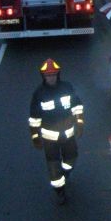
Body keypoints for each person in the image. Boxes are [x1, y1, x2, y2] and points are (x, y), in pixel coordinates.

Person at [29, 58, 84, 205]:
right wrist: (35, 136)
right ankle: (60, 191)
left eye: (53, 75)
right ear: (43, 77)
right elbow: (34, 117)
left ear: (57, 75)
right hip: (50, 139)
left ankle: (66, 172)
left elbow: (77, 106)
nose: (51, 77)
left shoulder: (67, 87)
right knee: (54, 169)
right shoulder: (39, 94)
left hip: (68, 135)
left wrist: (79, 123)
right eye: (48, 75)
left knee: (71, 159)